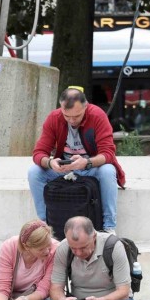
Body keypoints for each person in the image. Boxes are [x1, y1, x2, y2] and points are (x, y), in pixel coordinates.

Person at [29, 87, 124, 233]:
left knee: (108, 170)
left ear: (86, 106)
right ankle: (45, 226)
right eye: (67, 116)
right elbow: (38, 153)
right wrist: (50, 162)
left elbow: (108, 153)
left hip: (90, 167)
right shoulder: (54, 118)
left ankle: (109, 227)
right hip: (64, 169)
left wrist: (87, 162)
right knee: (34, 172)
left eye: (77, 116)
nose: (72, 120)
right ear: (61, 108)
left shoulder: (97, 115)